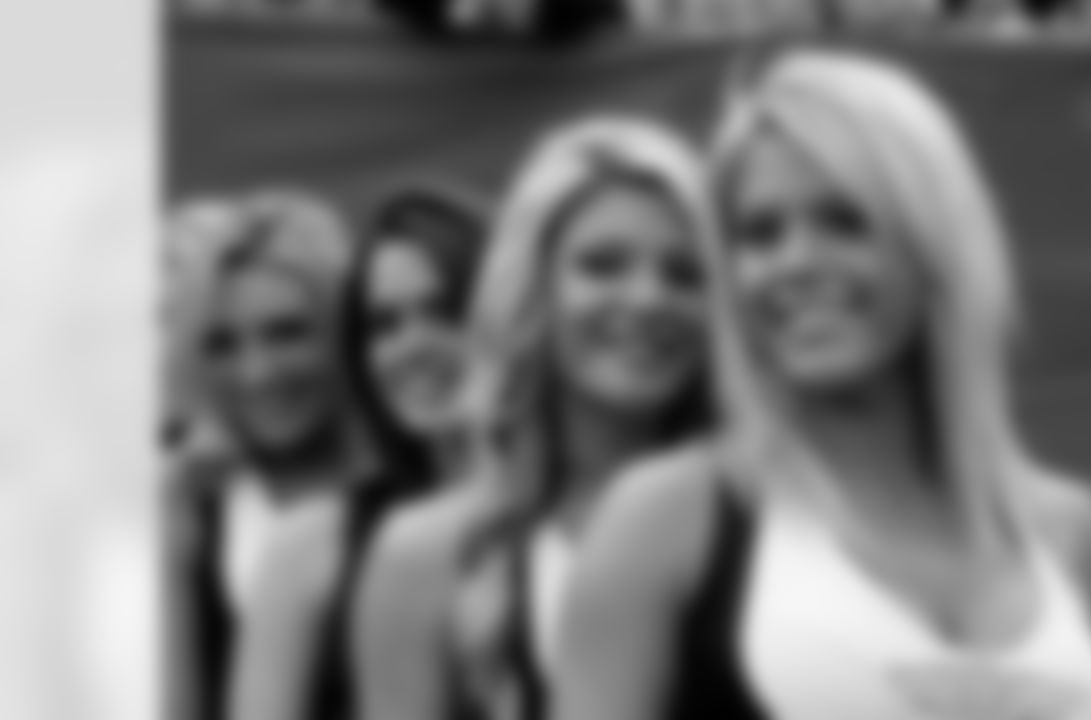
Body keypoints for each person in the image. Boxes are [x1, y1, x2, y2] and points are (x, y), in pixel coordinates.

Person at [553, 50, 1091, 720]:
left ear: (933, 242)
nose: (796, 262)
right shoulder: (668, 521)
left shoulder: (1075, 535)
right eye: (760, 235)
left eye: (845, 221)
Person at [353, 117, 717, 720]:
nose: (648, 299)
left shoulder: (768, 516)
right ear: (532, 288)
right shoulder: (428, 553)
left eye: (685, 274)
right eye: (602, 265)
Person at [227, 182, 488, 720]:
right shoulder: (308, 547)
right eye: (385, 325)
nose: (413, 346)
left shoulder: (581, 513)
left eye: (445, 311)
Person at [164, 188, 373, 720]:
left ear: (346, 328)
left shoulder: (419, 476)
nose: (258, 373)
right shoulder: (187, 511)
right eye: (222, 345)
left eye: (288, 333)